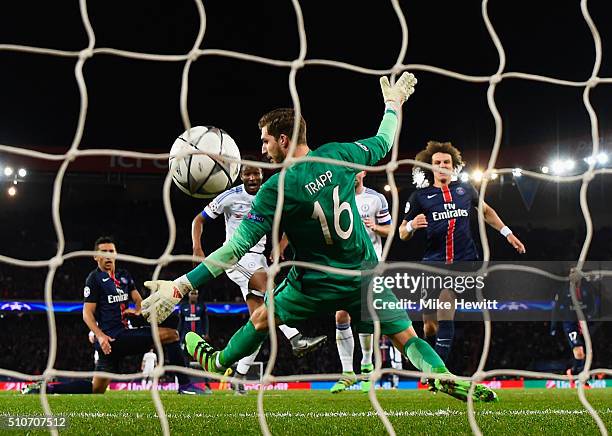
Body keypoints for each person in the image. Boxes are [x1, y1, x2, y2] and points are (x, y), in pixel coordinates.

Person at [141, 72, 497, 402]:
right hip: (364, 276)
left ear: (283, 139)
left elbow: (234, 248)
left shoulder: (275, 189)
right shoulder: (339, 155)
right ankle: (440, 372)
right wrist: (393, 105)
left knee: (262, 319)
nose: (263, 149)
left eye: (266, 141)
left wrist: (180, 286)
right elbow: (384, 142)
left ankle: (219, 363)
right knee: (407, 339)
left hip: (312, 285)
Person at [191, 160, 327, 392]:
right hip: (236, 256)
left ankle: (239, 376)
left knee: (260, 323)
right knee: (270, 292)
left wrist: (280, 246)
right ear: (241, 176)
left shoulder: (270, 194)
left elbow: (291, 221)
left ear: (262, 175)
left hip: (260, 258)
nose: (252, 178)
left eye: (256, 174)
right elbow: (199, 220)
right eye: (248, 174)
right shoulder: (230, 196)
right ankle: (296, 338)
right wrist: (197, 248)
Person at [24, 236, 205, 395]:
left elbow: (139, 302)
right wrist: (100, 336)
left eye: (111, 251)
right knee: (172, 334)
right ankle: (185, 385)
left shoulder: (124, 276)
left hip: (121, 336)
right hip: (112, 338)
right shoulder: (94, 279)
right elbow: (87, 313)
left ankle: (47, 389)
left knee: (96, 388)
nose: (108, 254)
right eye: (104, 252)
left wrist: (137, 311)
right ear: (96, 257)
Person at [398, 141, 526, 366]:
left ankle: (440, 371)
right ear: (431, 167)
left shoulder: (465, 190)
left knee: (447, 302)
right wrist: (410, 226)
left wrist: (508, 233)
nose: (442, 165)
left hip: (463, 261)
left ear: (453, 165)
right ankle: (434, 361)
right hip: (432, 263)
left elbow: (486, 211)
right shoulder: (420, 197)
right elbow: (401, 234)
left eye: (446, 162)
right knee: (429, 325)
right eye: (437, 162)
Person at [330, 171, 393, 393]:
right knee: (340, 314)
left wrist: (375, 227)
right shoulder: (335, 197)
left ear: (363, 172)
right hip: (343, 264)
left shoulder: (376, 199)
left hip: (370, 263)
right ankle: (347, 372)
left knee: (365, 314)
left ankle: (366, 366)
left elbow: (391, 230)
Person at [178, 289, 213, 394]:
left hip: (199, 338)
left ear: (197, 295)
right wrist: (178, 336)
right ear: (188, 295)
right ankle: (184, 386)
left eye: (195, 294)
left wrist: (206, 333)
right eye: (192, 294)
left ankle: (207, 385)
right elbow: (181, 323)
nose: (193, 296)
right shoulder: (183, 306)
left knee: (204, 361)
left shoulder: (201, 306)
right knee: (184, 362)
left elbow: (205, 320)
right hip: (185, 338)